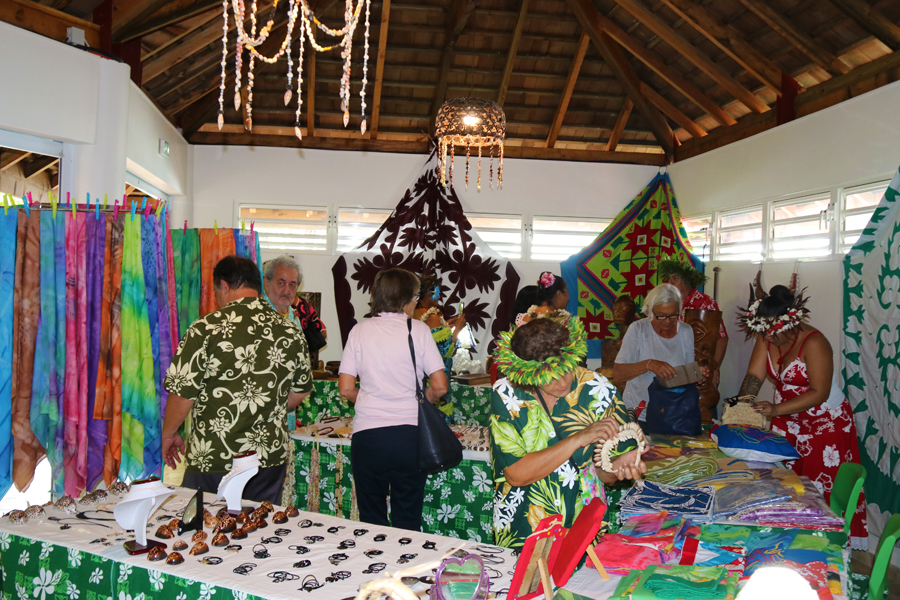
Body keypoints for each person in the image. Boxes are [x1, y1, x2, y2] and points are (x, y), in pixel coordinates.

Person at [161, 256, 313, 504]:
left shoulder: (205, 329)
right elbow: (300, 392)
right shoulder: (292, 332)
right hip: (267, 458)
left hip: (214, 455)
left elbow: (182, 394)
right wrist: (265, 403)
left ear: (224, 286)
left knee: (204, 529)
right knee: (258, 530)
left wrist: (169, 434)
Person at [490, 316, 646, 549]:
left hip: (583, 525)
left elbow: (604, 474)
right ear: (527, 374)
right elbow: (516, 474)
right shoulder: (506, 394)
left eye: (566, 369)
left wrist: (619, 466)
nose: (562, 382)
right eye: (549, 377)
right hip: (523, 526)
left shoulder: (597, 390)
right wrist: (579, 438)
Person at [734, 284, 867, 547]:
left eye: (774, 333)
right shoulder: (767, 336)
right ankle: (790, 543)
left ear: (791, 322)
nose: (769, 339)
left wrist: (775, 410)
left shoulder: (815, 342)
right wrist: (740, 410)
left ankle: (825, 547)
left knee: (819, 491)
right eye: (764, 332)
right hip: (789, 421)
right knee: (787, 486)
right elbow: (753, 377)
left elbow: (819, 392)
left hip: (824, 426)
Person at [338, 268, 449, 530]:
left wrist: (366, 398)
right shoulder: (419, 330)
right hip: (410, 436)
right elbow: (440, 386)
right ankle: (407, 568)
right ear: (408, 299)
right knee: (408, 516)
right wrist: (423, 402)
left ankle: (373, 567)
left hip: (368, 436)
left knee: (371, 517)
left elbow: (345, 389)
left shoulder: (359, 331)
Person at [613, 284, 705, 417]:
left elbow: (686, 376)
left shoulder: (685, 331)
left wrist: (696, 374)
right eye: (661, 316)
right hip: (639, 413)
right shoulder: (638, 330)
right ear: (650, 311)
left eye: (673, 315)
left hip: (673, 413)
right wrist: (648, 364)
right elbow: (618, 374)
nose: (668, 321)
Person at [658, 258, 728, 382]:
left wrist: (714, 369)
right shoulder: (666, 303)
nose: (671, 282)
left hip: (701, 372)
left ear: (688, 280)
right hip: (672, 370)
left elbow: (721, 338)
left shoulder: (704, 302)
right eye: (670, 278)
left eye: (676, 278)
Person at [414, 274, 466, 377]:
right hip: (434, 376)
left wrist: (445, 325)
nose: (439, 296)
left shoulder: (413, 312)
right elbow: (444, 352)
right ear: (430, 294)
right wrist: (458, 329)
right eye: (437, 293)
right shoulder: (432, 316)